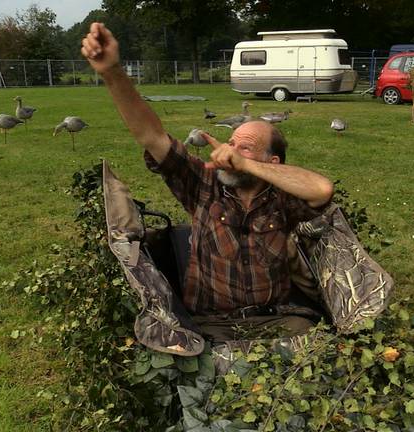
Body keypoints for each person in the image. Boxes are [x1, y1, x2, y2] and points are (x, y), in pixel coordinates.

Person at [81, 23, 334, 342]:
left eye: (245, 146)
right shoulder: (203, 183)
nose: (229, 150)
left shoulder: (282, 197)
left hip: (278, 321)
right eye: (231, 141)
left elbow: (322, 189)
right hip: (213, 326)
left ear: (272, 163)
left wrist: (246, 166)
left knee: (319, 356)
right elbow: (151, 136)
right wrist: (112, 71)